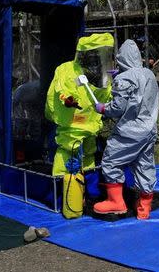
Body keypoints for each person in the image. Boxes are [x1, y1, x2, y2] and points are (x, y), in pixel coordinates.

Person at [93, 39, 159, 220]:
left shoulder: (124, 79)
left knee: (111, 161)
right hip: (149, 130)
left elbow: (118, 108)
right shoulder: (148, 74)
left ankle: (116, 203)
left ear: (121, 59)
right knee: (144, 165)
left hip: (130, 131)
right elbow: (137, 91)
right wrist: (121, 76)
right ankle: (144, 208)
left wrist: (103, 108)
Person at [45, 33, 114, 176]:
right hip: (72, 121)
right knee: (69, 149)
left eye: (99, 55)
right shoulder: (67, 69)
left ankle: (89, 186)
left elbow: (105, 93)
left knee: (89, 152)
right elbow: (62, 89)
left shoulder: (101, 74)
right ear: (84, 55)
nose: (95, 60)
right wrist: (68, 99)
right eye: (92, 55)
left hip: (90, 122)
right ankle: (62, 185)